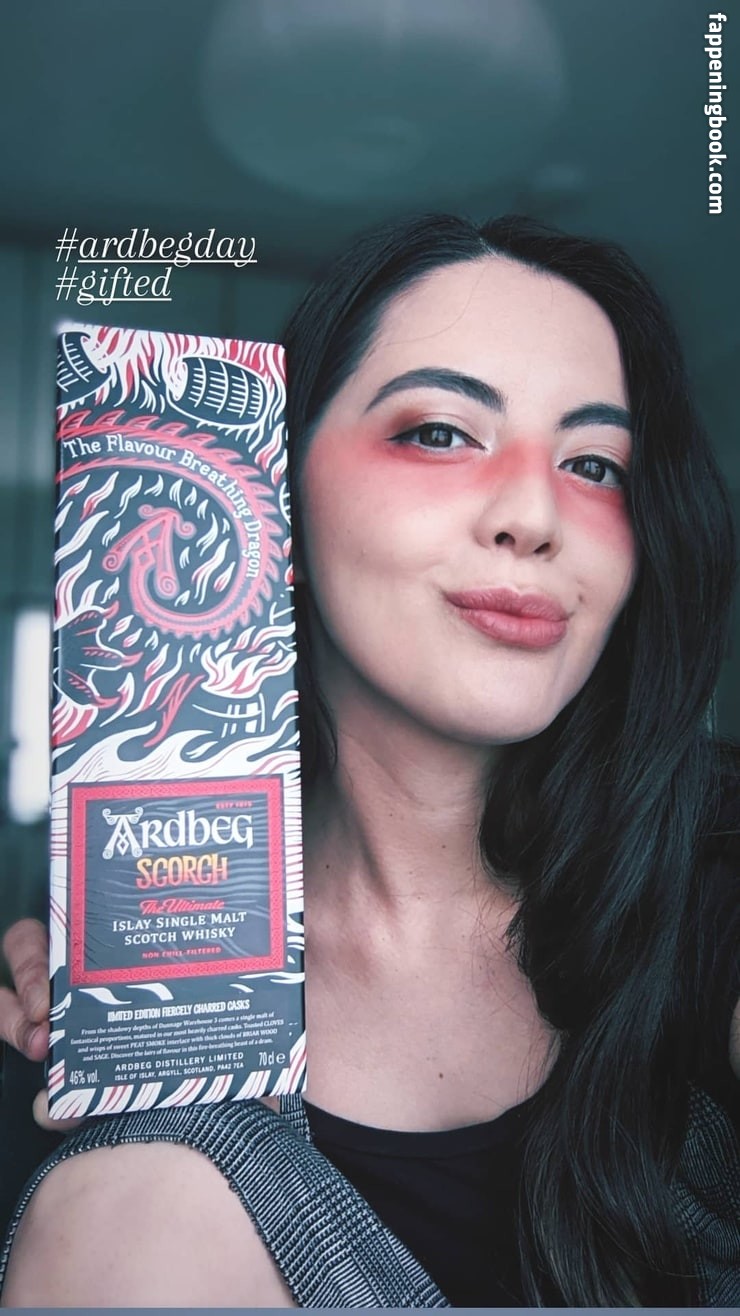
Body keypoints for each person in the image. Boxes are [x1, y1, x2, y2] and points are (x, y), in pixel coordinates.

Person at [0, 213, 738, 1307]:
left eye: (592, 463)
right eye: (439, 433)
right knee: (129, 1199)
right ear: (276, 499)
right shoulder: (140, 938)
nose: (534, 514)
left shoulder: (714, 863)